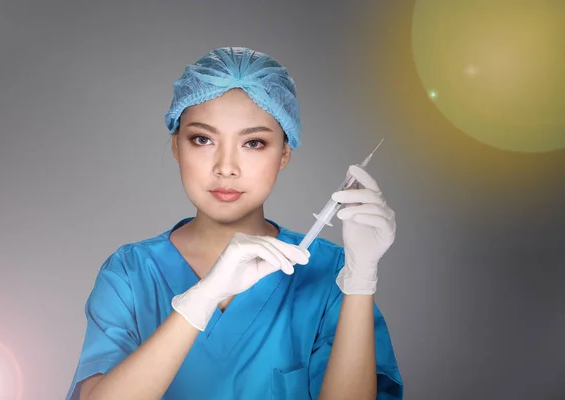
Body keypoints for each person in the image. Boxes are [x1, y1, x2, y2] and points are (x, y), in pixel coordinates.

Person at [65, 47, 403, 400]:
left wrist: (361, 278)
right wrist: (202, 298)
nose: (226, 167)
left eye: (254, 143)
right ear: (177, 147)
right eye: (202, 139)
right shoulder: (130, 274)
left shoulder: (330, 271)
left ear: (284, 154)